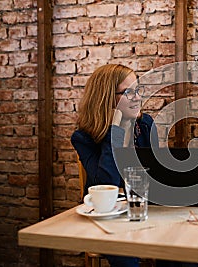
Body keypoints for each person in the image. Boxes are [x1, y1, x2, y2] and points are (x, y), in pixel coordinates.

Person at [71, 64, 158, 267]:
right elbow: (105, 184)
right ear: (107, 98)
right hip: (107, 220)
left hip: (144, 212)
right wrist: (116, 130)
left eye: (138, 90)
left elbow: (156, 177)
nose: (137, 97)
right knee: (124, 254)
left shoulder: (145, 126)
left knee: (175, 251)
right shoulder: (84, 138)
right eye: (128, 92)